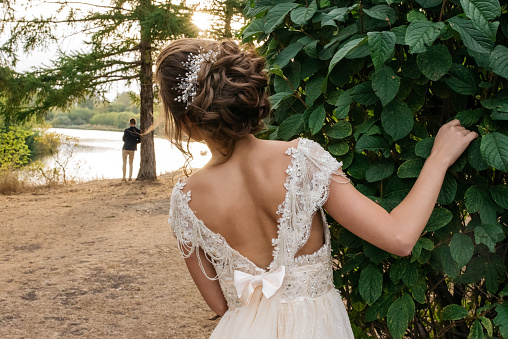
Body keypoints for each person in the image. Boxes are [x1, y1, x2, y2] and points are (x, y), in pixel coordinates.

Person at [155, 38, 477, 338]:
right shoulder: (300, 159)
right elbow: (400, 238)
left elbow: (220, 305)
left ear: (187, 123)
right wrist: (438, 158)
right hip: (315, 327)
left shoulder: (185, 200)